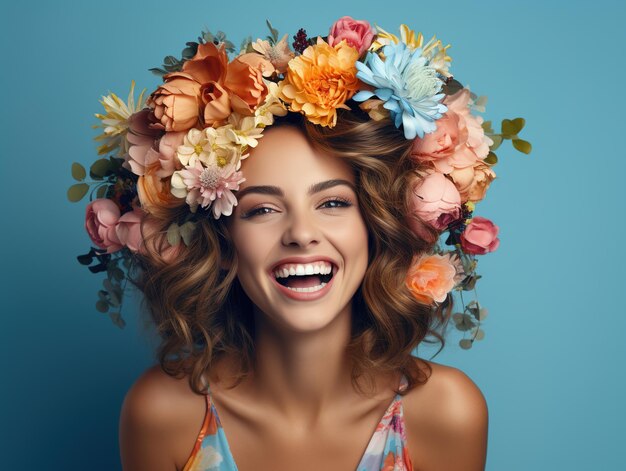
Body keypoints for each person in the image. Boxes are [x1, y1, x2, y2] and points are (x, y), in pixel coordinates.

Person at [118, 108, 488, 470]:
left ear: (374, 229)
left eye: (332, 203)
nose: (301, 234)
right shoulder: (162, 415)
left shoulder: (446, 413)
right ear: (225, 245)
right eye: (263, 209)